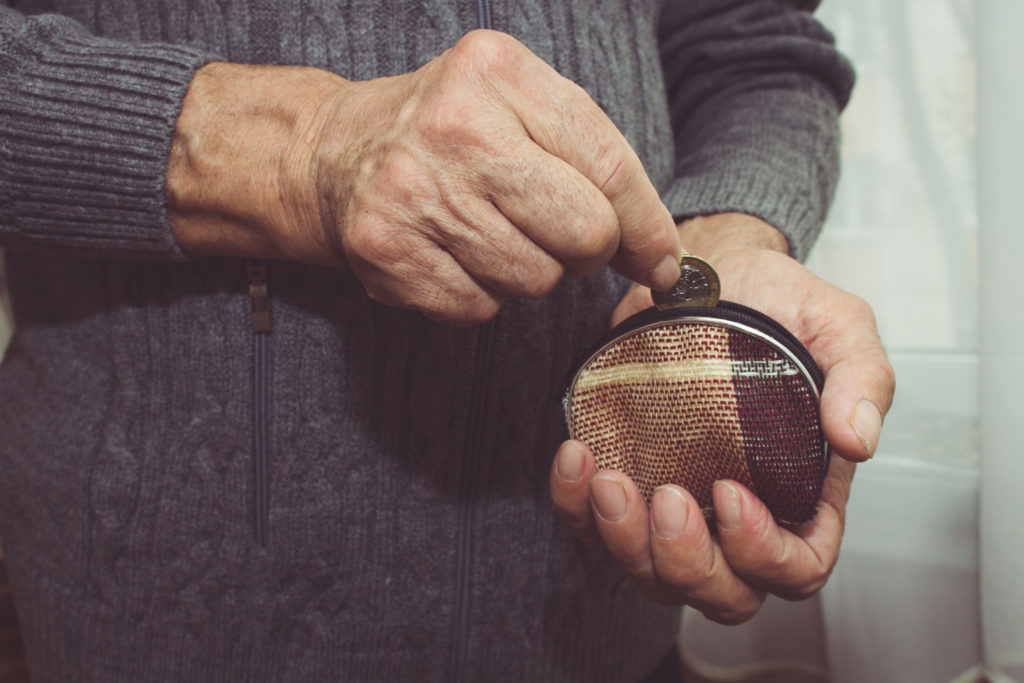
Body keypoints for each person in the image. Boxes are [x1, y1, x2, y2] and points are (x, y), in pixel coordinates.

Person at [0, 1, 895, 681]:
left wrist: (733, 226)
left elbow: (755, 51)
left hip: (607, 628)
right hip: (154, 630)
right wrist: (303, 150)